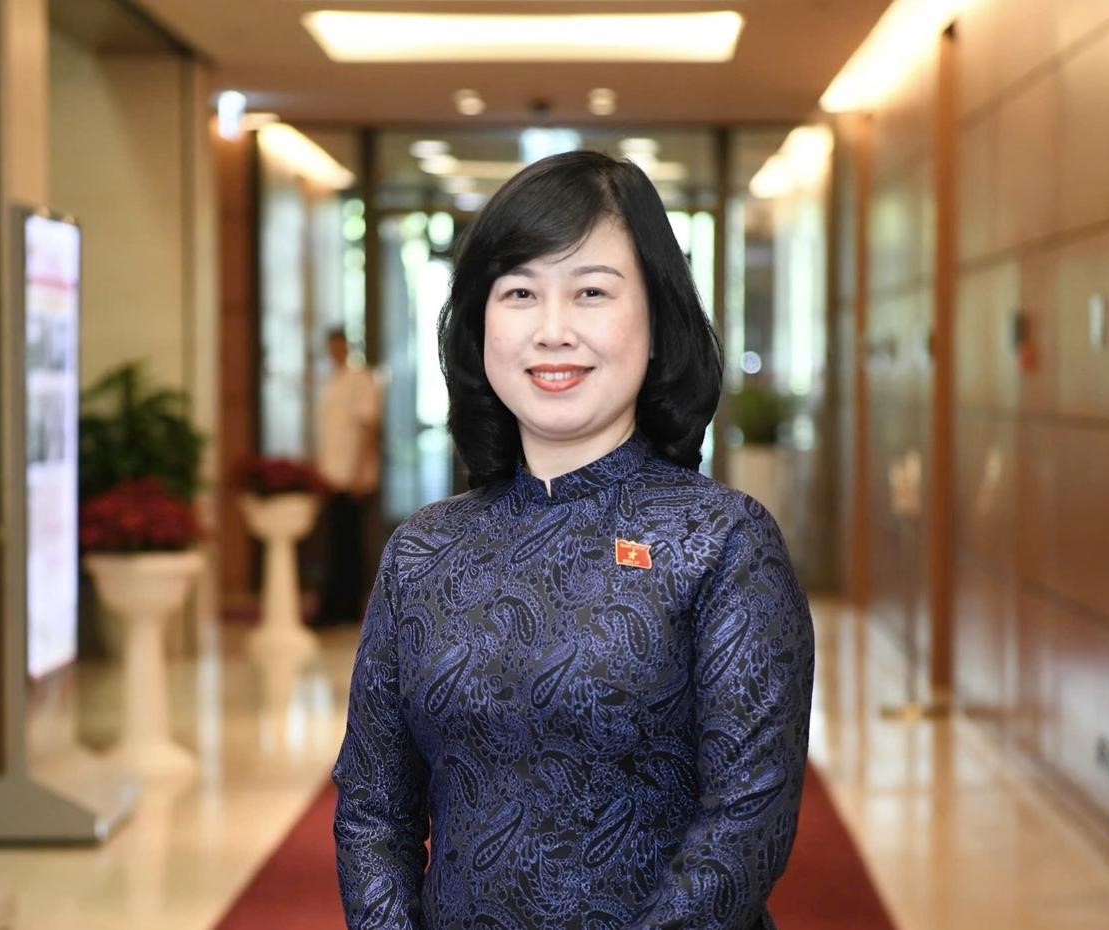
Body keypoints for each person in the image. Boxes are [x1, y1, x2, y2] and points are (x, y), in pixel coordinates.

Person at [333, 151, 814, 929]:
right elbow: (371, 811)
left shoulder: (721, 542)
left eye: (591, 291)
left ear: (654, 323)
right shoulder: (422, 551)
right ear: (480, 325)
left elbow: (745, 825)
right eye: (520, 292)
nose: (552, 331)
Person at [315, 327, 381, 627]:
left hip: (353, 477)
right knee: (335, 543)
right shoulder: (332, 382)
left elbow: (369, 428)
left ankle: (351, 606)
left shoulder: (360, 380)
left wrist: (359, 472)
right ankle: (335, 606)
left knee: (352, 544)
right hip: (333, 475)